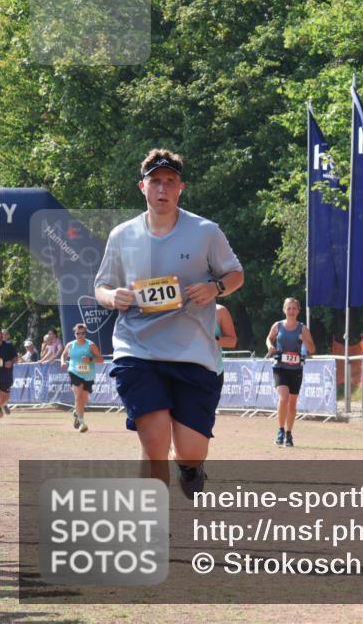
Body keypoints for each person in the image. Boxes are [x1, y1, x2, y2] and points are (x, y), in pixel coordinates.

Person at [95, 148, 243, 497]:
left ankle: (190, 467)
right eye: (155, 181)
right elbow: (101, 286)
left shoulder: (206, 231)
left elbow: (235, 274)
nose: (162, 188)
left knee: (190, 451)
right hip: (137, 351)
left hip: (193, 354)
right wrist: (112, 297)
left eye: (170, 181)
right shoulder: (122, 235)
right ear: (142, 187)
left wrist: (216, 287)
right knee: (154, 442)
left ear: (181, 188)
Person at [266, 297, 316, 448]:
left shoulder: (303, 328)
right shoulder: (277, 325)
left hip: (296, 369)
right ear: (284, 310)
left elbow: (312, 349)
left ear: (298, 311)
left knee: (292, 403)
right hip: (280, 367)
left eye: (294, 308)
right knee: (284, 398)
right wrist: (270, 346)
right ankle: (280, 431)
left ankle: (289, 433)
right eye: (288, 308)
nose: (291, 311)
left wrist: (304, 339)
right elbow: (269, 338)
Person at [60, 323, 104, 433]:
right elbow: (63, 355)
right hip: (74, 372)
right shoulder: (70, 345)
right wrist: (63, 362)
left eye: (83, 333)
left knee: (83, 399)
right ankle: (81, 422)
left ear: (85, 333)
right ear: (74, 334)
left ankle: (77, 412)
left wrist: (90, 359)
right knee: (78, 396)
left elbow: (101, 359)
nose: (80, 335)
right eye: (78, 333)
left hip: (88, 374)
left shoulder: (91, 345)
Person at [0, 329, 17, 417]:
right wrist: (2, 363)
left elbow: (15, 358)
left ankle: (2, 404)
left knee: (5, 395)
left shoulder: (9, 345)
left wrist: (11, 362)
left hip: (7, 375)